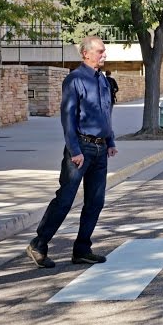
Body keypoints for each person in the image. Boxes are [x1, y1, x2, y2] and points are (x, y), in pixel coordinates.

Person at [26, 36, 118, 268]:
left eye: (104, 51)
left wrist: (111, 141)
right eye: (100, 51)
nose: (104, 54)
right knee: (65, 199)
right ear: (86, 54)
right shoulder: (74, 80)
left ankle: (82, 249)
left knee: (95, 202)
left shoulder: (103, 81)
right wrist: (74, 150)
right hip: (81, 148)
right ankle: (39, 244)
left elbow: (106, 113)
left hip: (100, 148)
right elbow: (68, 118)